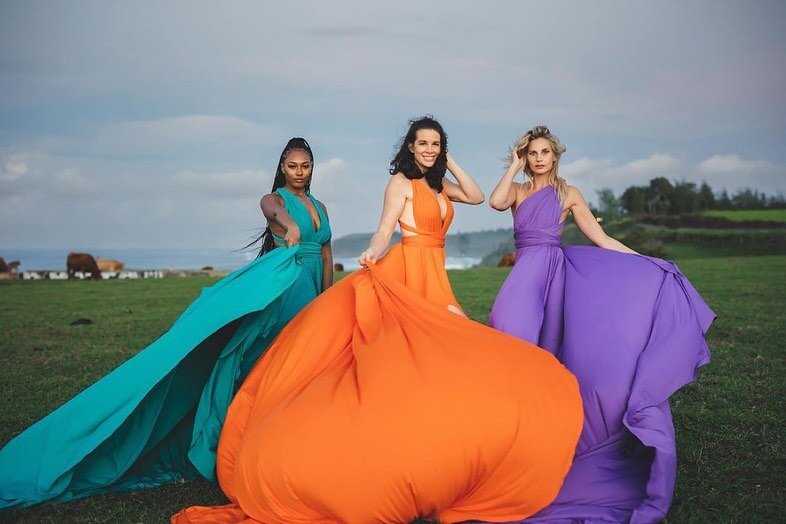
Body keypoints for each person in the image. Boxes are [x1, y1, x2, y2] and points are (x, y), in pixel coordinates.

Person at [172, 117, 583, 524]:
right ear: (409, 147)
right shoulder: (400, 184)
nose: (428, 150)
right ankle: (386, 460)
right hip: (406, 274)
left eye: (435, 144)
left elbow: (476, 196)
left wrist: (449, 157)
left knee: (451, 361)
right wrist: (372, 251)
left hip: (435, 280)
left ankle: (438, 458)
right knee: (396, 366)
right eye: (422, 144)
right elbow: (386, 229)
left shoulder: (439, 185)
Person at [0, 137, 333, 509]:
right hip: (283, 290)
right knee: (258, 365)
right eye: (292, 166)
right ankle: (238, 445)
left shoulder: (320, 206)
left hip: (311, 295)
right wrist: (290, 227)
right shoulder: (276, 200)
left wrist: (327, 300)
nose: (299, 173)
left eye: (305, 166)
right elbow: (273, 212)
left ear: (312, 167)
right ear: (282, 167)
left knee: (306, 370)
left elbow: (326, 254)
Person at [488, 125, 715, 523]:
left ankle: (546, 438)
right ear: (525, 156)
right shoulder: (520, 191)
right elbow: (494, 201)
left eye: (545, 152)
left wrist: (646, 261)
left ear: (555, 156)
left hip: (555, 275)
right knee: (506, 335)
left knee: (552, 355)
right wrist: (511, 168)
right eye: (532, 153)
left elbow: (601, 238)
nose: (539, 158)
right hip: (523, 276)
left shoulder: (567, 193)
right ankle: (510, 441)